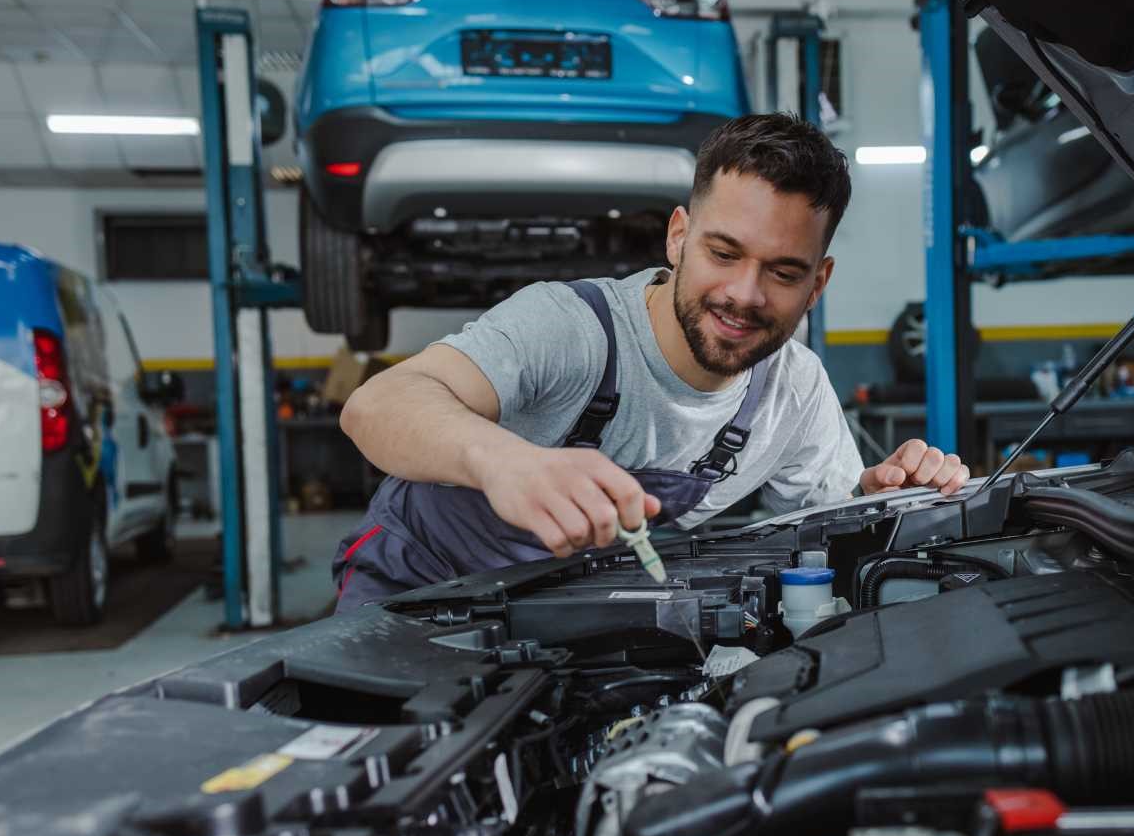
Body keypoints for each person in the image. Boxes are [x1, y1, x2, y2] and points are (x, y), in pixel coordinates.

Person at [333, 113, 969, 611]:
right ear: (678, 236)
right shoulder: (572, 329)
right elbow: (377, 405)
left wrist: (881, 494)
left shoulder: (792, 392)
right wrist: (504, 462)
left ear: (818, 283)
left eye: (782, 272)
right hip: (418, 590)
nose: (744, 295)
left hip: (569, 610)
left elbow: (830, 521)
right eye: (723, 253)